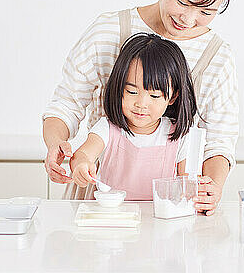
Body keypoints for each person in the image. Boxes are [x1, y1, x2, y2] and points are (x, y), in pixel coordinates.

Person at [43, 0, 239, 215]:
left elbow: (220, 141)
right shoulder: (108, 31)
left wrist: (212, 187)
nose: (187, 18)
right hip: (99, 201)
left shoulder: (217, 57)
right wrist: (55, 145)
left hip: (171, 208)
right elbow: (66, 104)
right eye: (183, 1)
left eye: (206, 11)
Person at [70, 33, 198, 200]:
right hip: (112, 219)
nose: (141, 104)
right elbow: (83, 154)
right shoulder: (107, 129)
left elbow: (187, 181)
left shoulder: (180, 136)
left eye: (155, 96)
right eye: (131, 92)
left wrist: (197, 189)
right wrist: (81, 164)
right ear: (119, 88)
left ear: (172, 97)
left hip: (158, 220)